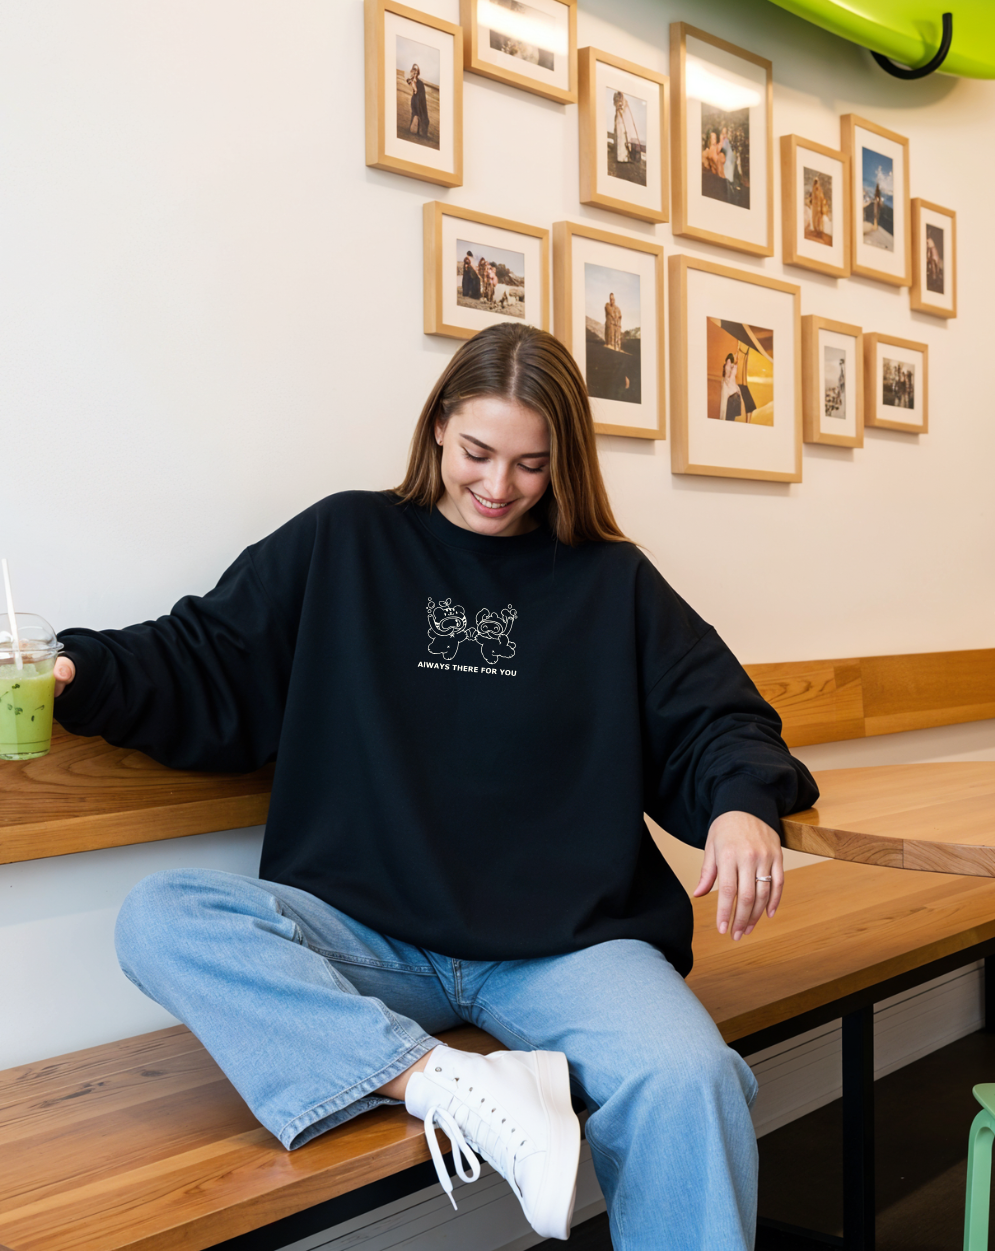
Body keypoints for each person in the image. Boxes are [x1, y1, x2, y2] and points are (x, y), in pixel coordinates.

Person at [50, 323, 817, 1249]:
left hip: (566, 947)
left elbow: (717, 718)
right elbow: (206, 660)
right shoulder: (346, 539)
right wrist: (73, 670)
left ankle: (451, 1082)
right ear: (438, 428)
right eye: (478, 453)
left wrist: (740, 804)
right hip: (371, 935)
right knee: (161, 915)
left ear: (565, 461)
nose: (499, 488)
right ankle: (445, 1084)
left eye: (531, 465)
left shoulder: (611, 582)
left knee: (691, 1079)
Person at [406, 62, 429, 139]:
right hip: (416, 100)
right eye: (413, 71)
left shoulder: (419, 83)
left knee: (418, 114)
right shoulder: (412, 80)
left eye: (416, 71)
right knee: (416, 114)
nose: (414, 72)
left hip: (419, 100)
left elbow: (420, 93)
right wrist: (414, 82)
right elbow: (415, 90)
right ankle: (415, 131)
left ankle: (417, 131)